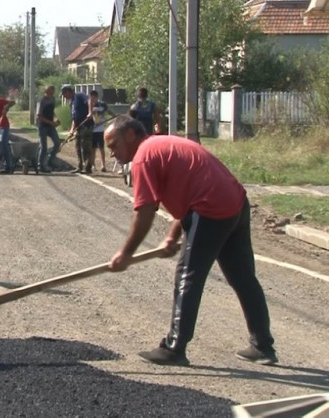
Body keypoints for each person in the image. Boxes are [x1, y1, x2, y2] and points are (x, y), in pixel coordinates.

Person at [105, 115, 277, 366]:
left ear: (131, 135)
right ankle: (263, 346)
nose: (112, 154)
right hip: (235, 204)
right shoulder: (163, 145)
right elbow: (190, 195)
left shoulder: (143, 156)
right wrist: (171, 237)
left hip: (211, 209)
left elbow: (145, 212)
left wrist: (126, 253)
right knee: (243, 277)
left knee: (188, 275)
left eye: (113, 145)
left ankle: (174, 348)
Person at [61, 86, 94, 174]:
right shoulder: (71, 102)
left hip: (86, 125)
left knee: (85, 146)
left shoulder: (79, 95)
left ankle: (88, 168)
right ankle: (79, 166)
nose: (64, 97)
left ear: (68, 91)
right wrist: (72, 130)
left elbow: (89, 100)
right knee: (77, 146)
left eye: (64, 94)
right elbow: (74, 118)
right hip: (78, 126)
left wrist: (90, 112)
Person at [36, 85, 61, 173]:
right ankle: (40, 165)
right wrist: (51, 123)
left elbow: (52, 110)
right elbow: (39, 116)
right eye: (48, 92)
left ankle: (50, 160)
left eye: (51, 92)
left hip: (50, 126)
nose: (50, 94)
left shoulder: (53, 99)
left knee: (57, 143)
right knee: (44, 147)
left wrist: (56, 118)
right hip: (42, 126)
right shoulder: (41, 101)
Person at [89, 90, 116, 172]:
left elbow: (110, 112)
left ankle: (103, 165)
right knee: (93, 148)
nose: (92, 99)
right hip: (92, 129)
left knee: (101, 147)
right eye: (91, 98)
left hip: (100, 130)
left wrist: (114, 116)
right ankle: (93, 165)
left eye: (93, 97)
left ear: (96, 97)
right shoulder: (89, 106)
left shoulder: (102, 104)